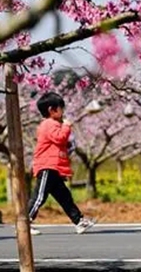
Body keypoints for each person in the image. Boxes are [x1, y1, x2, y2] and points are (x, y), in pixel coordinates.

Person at [28, 92, 96, 235]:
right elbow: (59, 138)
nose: (63, 111)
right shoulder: (48, 124)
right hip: (47, 166)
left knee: (64, 196)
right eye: (61, 108)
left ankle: (79, 221)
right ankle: (25, 223)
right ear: (51, 110)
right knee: (40, 196)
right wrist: (66, 127)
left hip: (54, 168)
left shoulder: (54, 124)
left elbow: (60, 143)